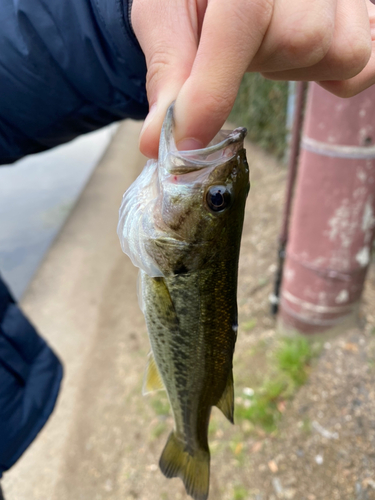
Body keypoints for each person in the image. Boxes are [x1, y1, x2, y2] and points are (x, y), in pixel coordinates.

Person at [0, 0, 374, 496]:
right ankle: (192, 442)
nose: (216, 185)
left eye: (218, 197)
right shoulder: (169, 266)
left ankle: (189, 439)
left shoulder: (173, 264)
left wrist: (127, 18)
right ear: (184, 255)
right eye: (217, 199)